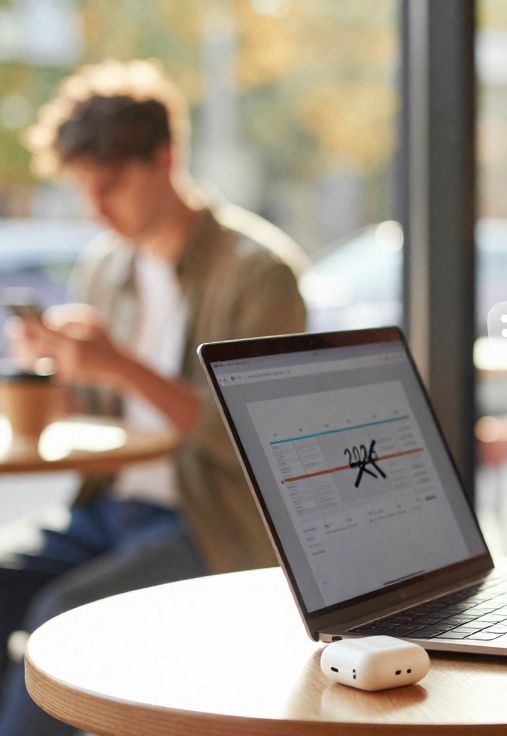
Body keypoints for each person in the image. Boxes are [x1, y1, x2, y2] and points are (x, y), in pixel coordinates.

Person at [0, 59, 309, 735]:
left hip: (210, 525)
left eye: (109, 185)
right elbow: (93, 428)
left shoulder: (259, 271)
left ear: (164, 158)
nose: (96, 210)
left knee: (60, 618)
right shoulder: (107, 265)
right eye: (84, 190)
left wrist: (118, 364)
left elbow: (256, 438)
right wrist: (53, 373)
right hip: (109, 509)